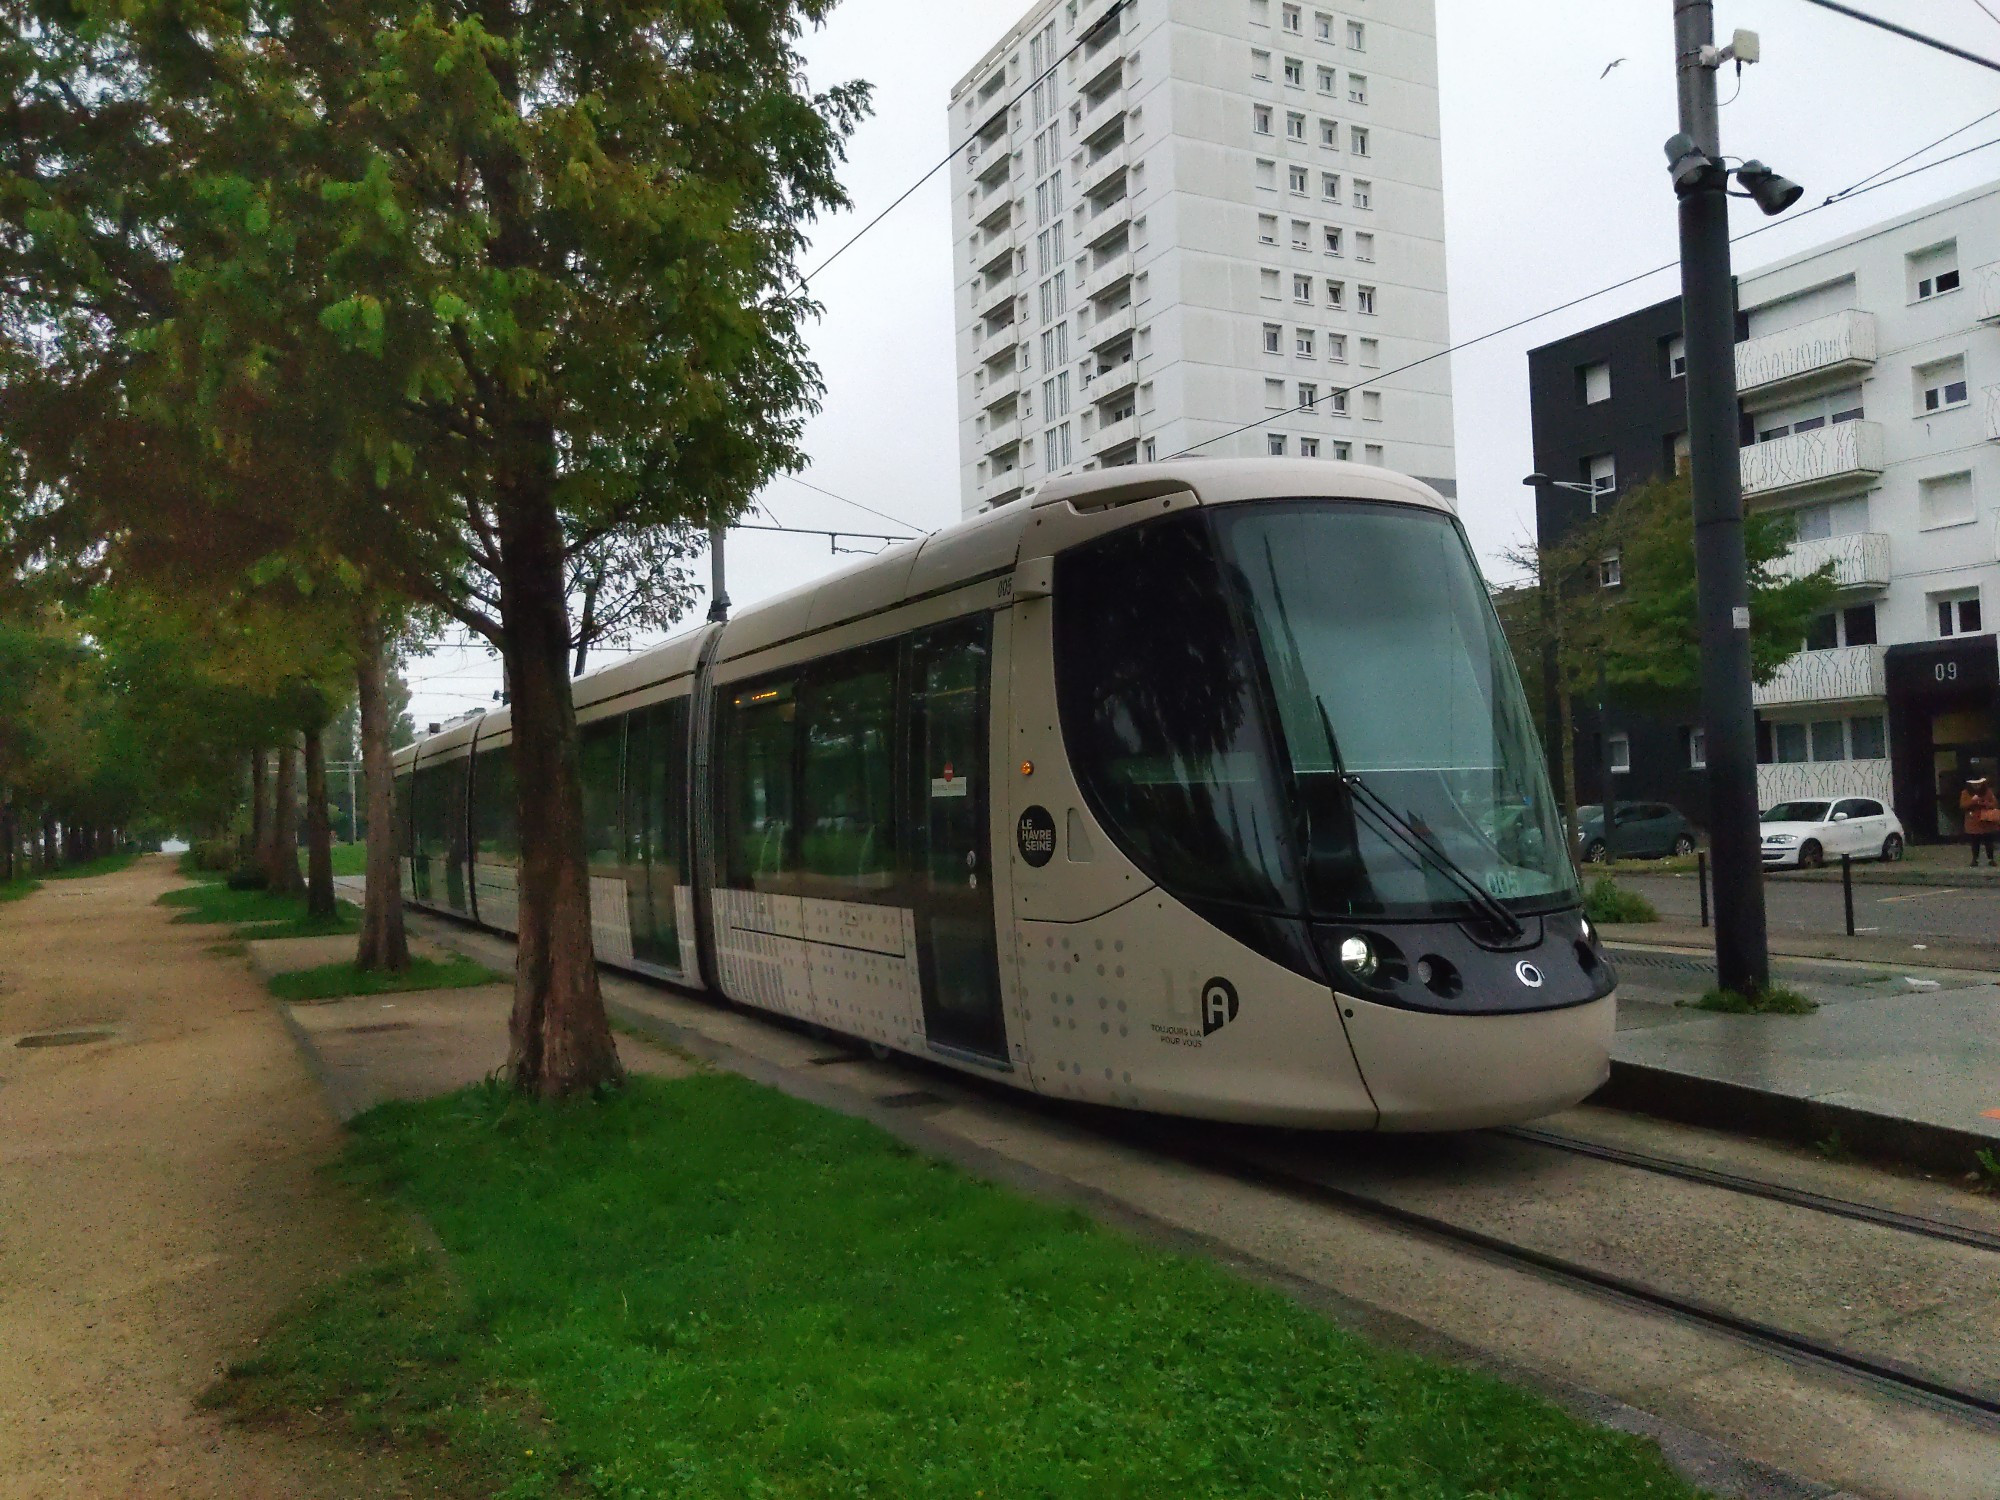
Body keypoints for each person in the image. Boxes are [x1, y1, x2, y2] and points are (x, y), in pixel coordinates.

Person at [1960, 777, 2000, 866]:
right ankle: (1975, 859)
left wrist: (1985, 803)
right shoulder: (1965, 793)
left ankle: (1991, 859)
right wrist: (1972, 801)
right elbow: (1963, 806)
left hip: (1986, 820)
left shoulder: (1988, 792)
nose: (1977, 786)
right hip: (1973, 821)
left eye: (1978, 784)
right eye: (1975, 784)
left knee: (1988, 841)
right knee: (1975, 842)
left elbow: (1995, 804)